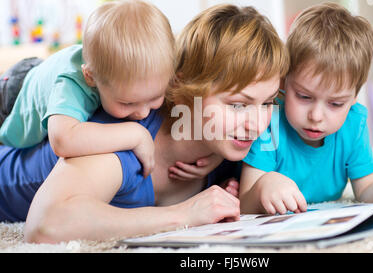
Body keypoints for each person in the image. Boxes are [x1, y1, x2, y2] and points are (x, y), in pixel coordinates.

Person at [0, 4, 289, 243]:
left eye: (267, 103)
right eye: (237, 104)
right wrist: (183, 215)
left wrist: (266, 184)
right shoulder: (123, 137)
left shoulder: (228, 146)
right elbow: (45, 224)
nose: (257, 125)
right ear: (184, 84)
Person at [239, 3, 373, 215]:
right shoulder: (269, 121)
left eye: (336, 104)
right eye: (304, 96)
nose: (316, 116)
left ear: (353, 98)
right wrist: (264, 186)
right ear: (283, 82)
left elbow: (366, 189)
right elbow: (244, 203)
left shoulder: (354, 122)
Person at [0, 0, 174, 178]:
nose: (143, 113)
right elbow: (62, 140)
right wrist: (137, 135)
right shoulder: (72, 85)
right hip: (11, 97)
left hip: (42, 70)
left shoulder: (152, 71)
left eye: (155, 98)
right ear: (90, 77)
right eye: (128, 103)